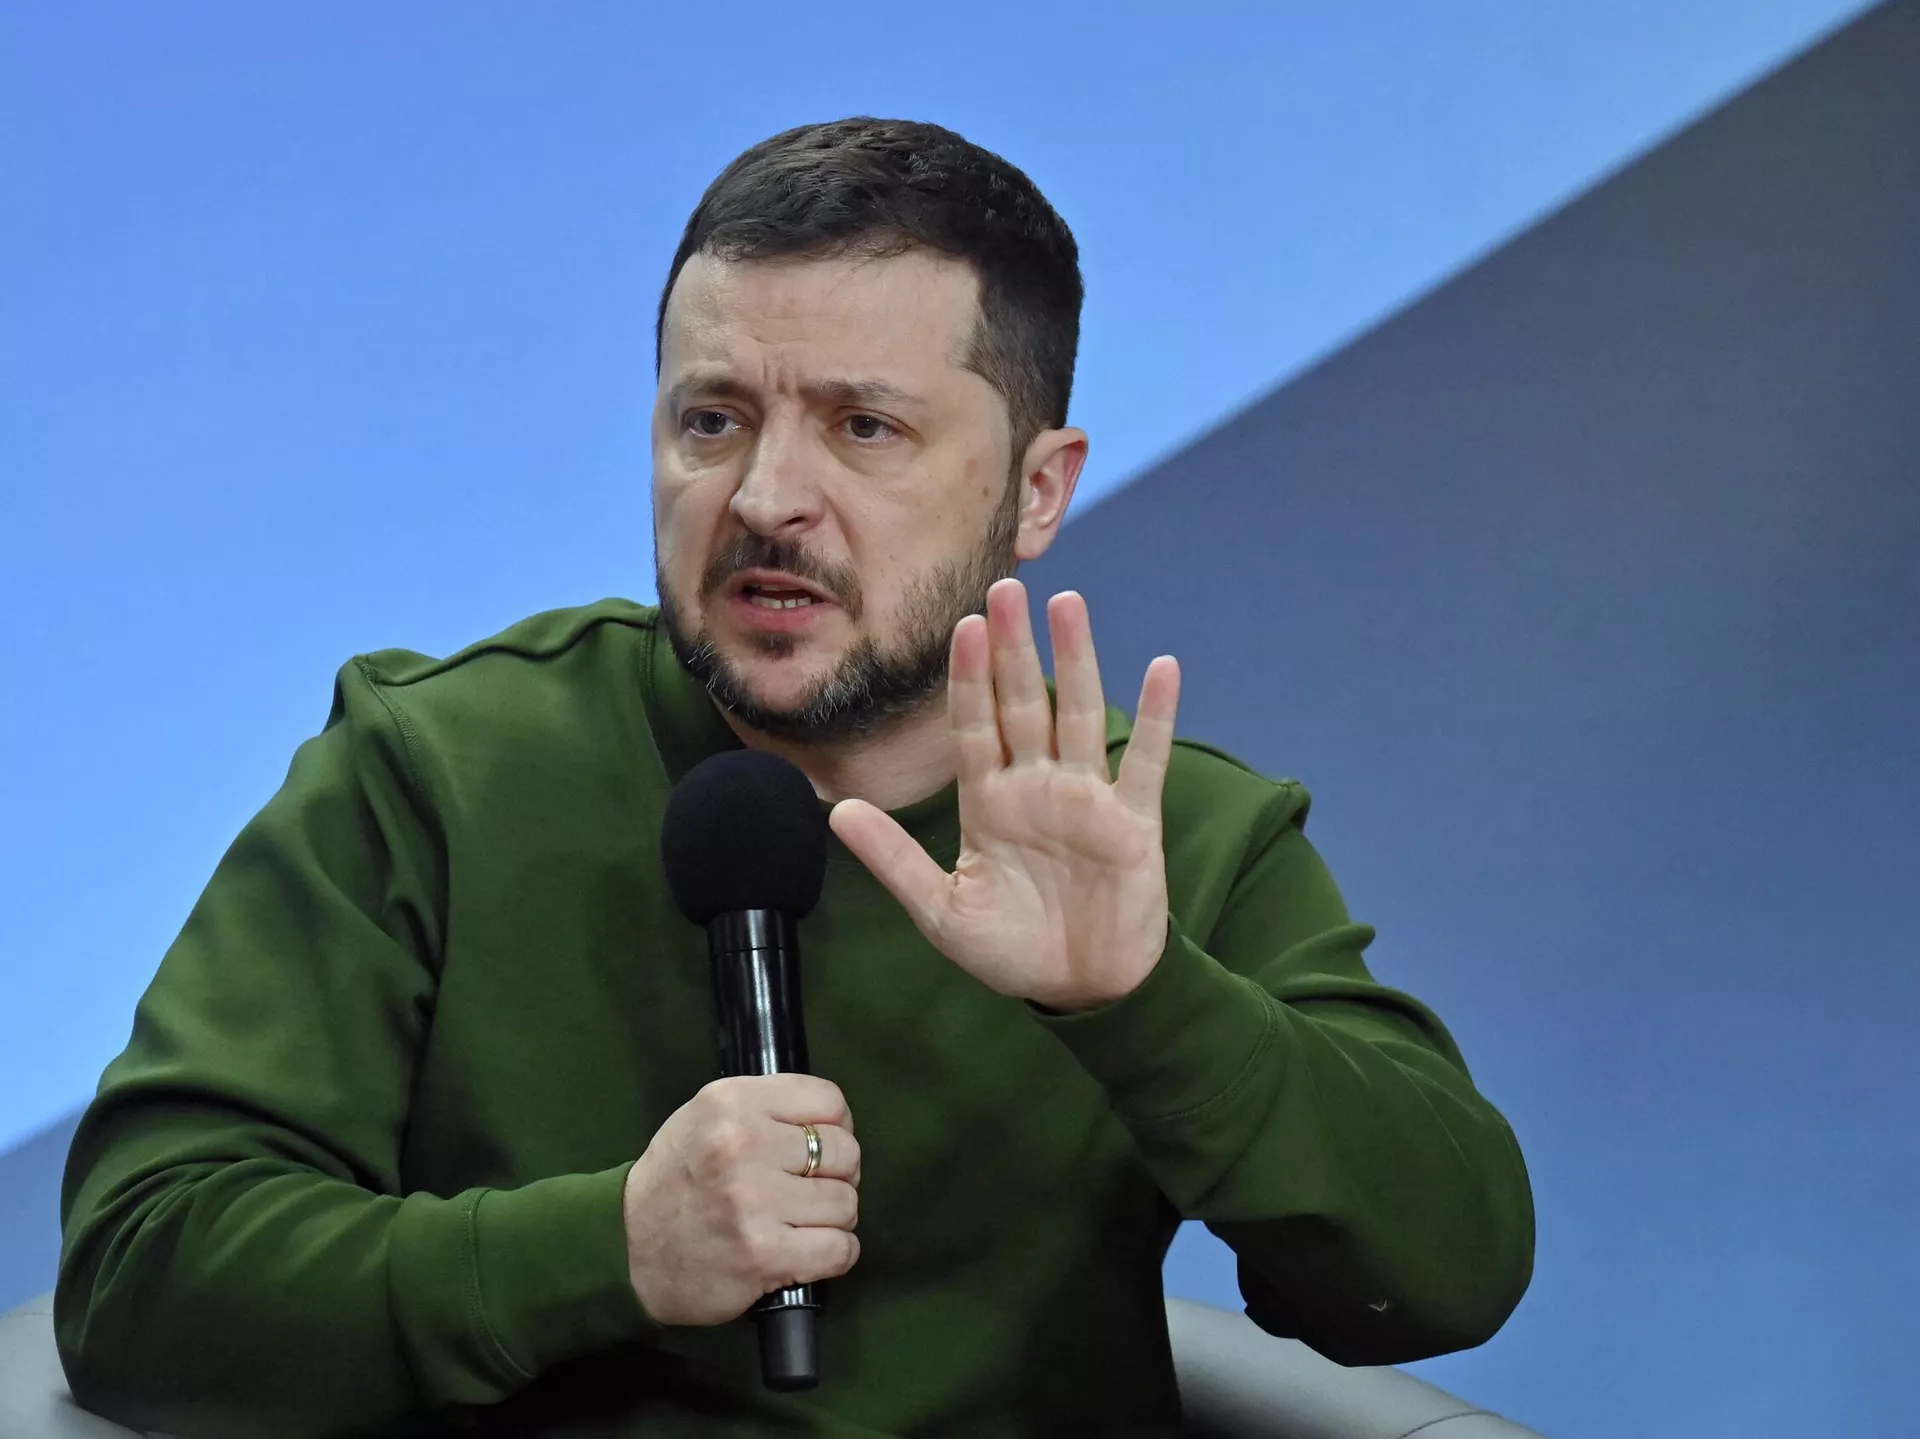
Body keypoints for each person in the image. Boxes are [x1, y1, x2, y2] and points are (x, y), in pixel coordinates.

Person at [56, 117, 1534, 1438]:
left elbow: (1446, 1276)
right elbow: (139, 1281)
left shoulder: (1164, 836)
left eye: (863, 427)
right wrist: (613, 1247)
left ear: (1038, 489)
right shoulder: (439, 767)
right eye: (712, 420)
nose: (765, 499)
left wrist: (1144, 1003)